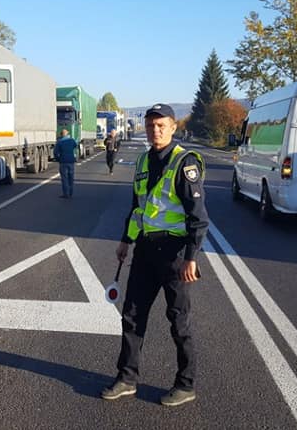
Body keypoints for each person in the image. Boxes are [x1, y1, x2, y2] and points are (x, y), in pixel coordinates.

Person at [101, 103, 209, 407]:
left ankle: (186, 384)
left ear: (173, 127)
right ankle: (127, 378)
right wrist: (126, 240)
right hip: (146, 250)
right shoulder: (144, 161)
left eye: (161, 125)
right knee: (132, 316)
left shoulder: (184, 163)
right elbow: (138, 207)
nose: (155, 131)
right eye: (151, 126)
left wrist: (192, 257)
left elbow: (198, 216)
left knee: (179, 321)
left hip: (175, 254)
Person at [53, 128, 78, 198]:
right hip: (71, 161)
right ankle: (71, 192)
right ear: (67, 134)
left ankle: (66, 194)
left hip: (63, 161)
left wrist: (58, 159)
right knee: (71, 177)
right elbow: (75, 146)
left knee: (64, 178)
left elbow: (55, 152)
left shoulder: (59, 142)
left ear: (61, 135)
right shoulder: (71, 140)